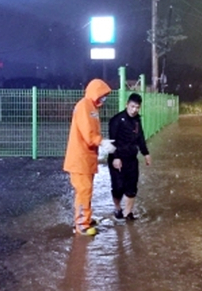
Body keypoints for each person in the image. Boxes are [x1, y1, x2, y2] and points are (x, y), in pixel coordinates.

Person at [64, 79, 116, 236]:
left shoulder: (89, 106)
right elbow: (89, 134)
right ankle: (81, 224)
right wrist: (102, 142)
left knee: (85, 191)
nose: (104, 98)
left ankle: (85, 219)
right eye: (103, 95)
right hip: (80, 159)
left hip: (84, 158)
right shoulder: (86, 107)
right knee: (83, 192)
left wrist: (101, 141)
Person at [108, 93, 151, 222]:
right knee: (118, 187)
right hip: (118, 159)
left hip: (132, 159)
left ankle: (128, 214)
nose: (134, 110)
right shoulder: (116, 120)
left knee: (132, 187)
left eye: (137, 107)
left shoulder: (137, 120)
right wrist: (115, 157)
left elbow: (140, 138)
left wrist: (146, 153)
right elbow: (112, 141)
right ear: (127, 104)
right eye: (132, 106)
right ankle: (117, 208)